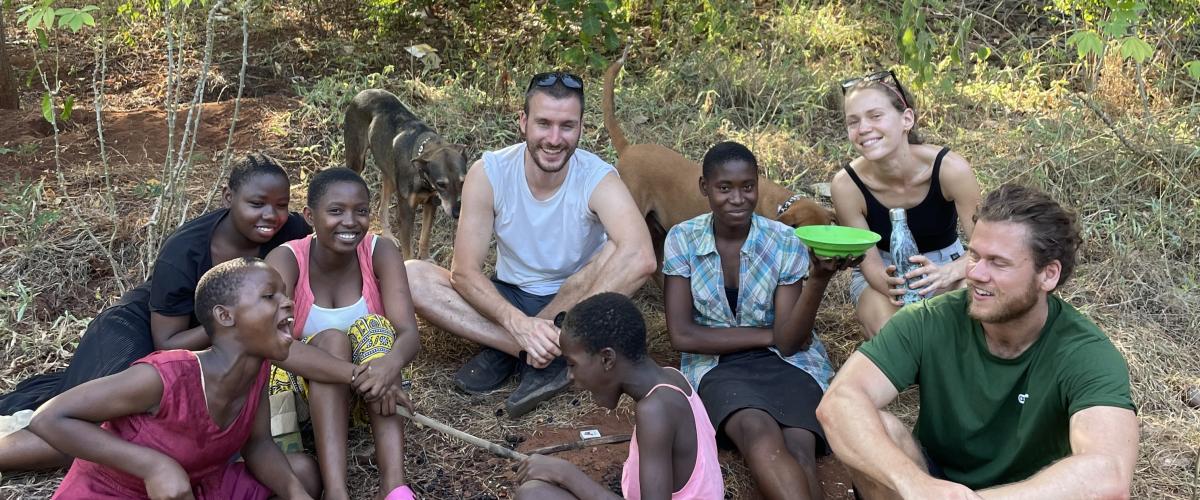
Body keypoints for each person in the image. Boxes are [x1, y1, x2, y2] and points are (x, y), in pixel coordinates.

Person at [816, 184, 1139, 498]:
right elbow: (840, 402)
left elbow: (1107, 471)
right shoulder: (931, 319)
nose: (976, 274)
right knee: (879, 429)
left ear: (1048, 274)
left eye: (998, 262)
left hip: (1032, 491)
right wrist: (914, 483)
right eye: (974, 255)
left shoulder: (1084, 352)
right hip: (934, 486)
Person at [0, 153, 312, 471]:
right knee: (92, 436)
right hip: (137, 331)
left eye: (281, 205)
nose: (271, 215)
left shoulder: (291, 230)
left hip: (208, 343)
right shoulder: (184, 251)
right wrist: (238, 322)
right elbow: (166, 342)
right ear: (228, 197)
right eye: (257, 203)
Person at [404, 71, 655, 418]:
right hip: (510, 297)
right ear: (523, 122)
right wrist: (519, 326)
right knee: (411, 276)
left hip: (579, 301)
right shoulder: (489, 171)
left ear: (581, 127)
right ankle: (525, 351)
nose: (554, 138)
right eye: (544, 124)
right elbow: (463, 273)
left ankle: (536, 345)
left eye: (567, 126)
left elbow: (642, 257)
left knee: (623, 248)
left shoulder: (597, 176)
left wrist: (550, 323)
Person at [28, 258, 320, 499]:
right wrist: (153, 466)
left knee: (302, 475)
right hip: (114, 492)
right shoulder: (165, 376)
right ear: (225, 316)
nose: (289, 302)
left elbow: (258, 445)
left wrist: (297, 495)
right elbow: (49, 419)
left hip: (194, 487)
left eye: (285, 293)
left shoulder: (257, 370)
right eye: (270, 296)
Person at [662, 142, 856, 500]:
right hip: (718, 367)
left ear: (757, 185)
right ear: (705, 188)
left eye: (747, 187)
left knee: (801, 448)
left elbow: (790, 342)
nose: (738, 198)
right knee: (759, 436)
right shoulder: (683, 239)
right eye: (724, 188)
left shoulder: (784, 240)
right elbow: (683, 336)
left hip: (791, 364)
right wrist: (769, 334)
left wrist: (817, 280)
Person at [265, 167, 421, 500]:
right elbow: (273, 344)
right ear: (309, 215)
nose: (350, 221)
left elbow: (409, 333)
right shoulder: (287, 259)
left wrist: (388, 366)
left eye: (361, 211)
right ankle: (336, 492)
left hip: (370, 397)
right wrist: (358, 374)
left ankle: (393, 484)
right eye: (336, 211)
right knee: (333, 340)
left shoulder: (381, 251)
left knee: (376, 330)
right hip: (297, 405)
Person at [514, 292, 724, 499]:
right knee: (535, 493)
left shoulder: (655, 410)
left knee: (532, 496)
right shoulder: (670, 377)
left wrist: (566, 474)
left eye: (572, 364)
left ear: (607, 359)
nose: (570, 376)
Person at [830, 69, 982, 338]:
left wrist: (947, 274)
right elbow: (869, 262)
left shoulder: (950, 169)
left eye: (875, 116)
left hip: (950, 265)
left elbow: (983, 249)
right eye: (853, 122)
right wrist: (898, 288)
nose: (863, 129)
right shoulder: (846, 185)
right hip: (885, 276)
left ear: (906, 119)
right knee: (897, 338)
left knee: (968, 330)